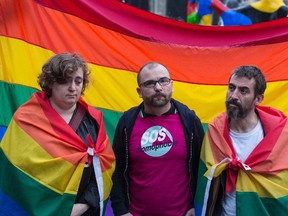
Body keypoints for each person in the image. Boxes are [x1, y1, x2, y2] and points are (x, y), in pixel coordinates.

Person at [0, 53, 115, 216]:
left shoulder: (94, 120)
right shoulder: (27, 118)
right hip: (36, 210)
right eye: (65, 80)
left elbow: (105, 167)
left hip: (83, 210)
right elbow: (13, 173)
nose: (73, 87)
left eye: (78, 81)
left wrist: (82, 206)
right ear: (51, 82)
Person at [110, 62, 205, 216]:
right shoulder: (127, 122)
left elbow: (202, 169)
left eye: (163, 81)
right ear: (139, 91)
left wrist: (196, 206)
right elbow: (116, 170)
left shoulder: (190, 120)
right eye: (150, 83)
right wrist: (121, 210)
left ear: (172, 85)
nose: (158, 87)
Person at [194, 65, 288, 215]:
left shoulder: (280, 135)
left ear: (258, 99)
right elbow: (203, 180)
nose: (234, 95)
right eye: (231, 88)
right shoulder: (215, 131)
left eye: (243, 91)